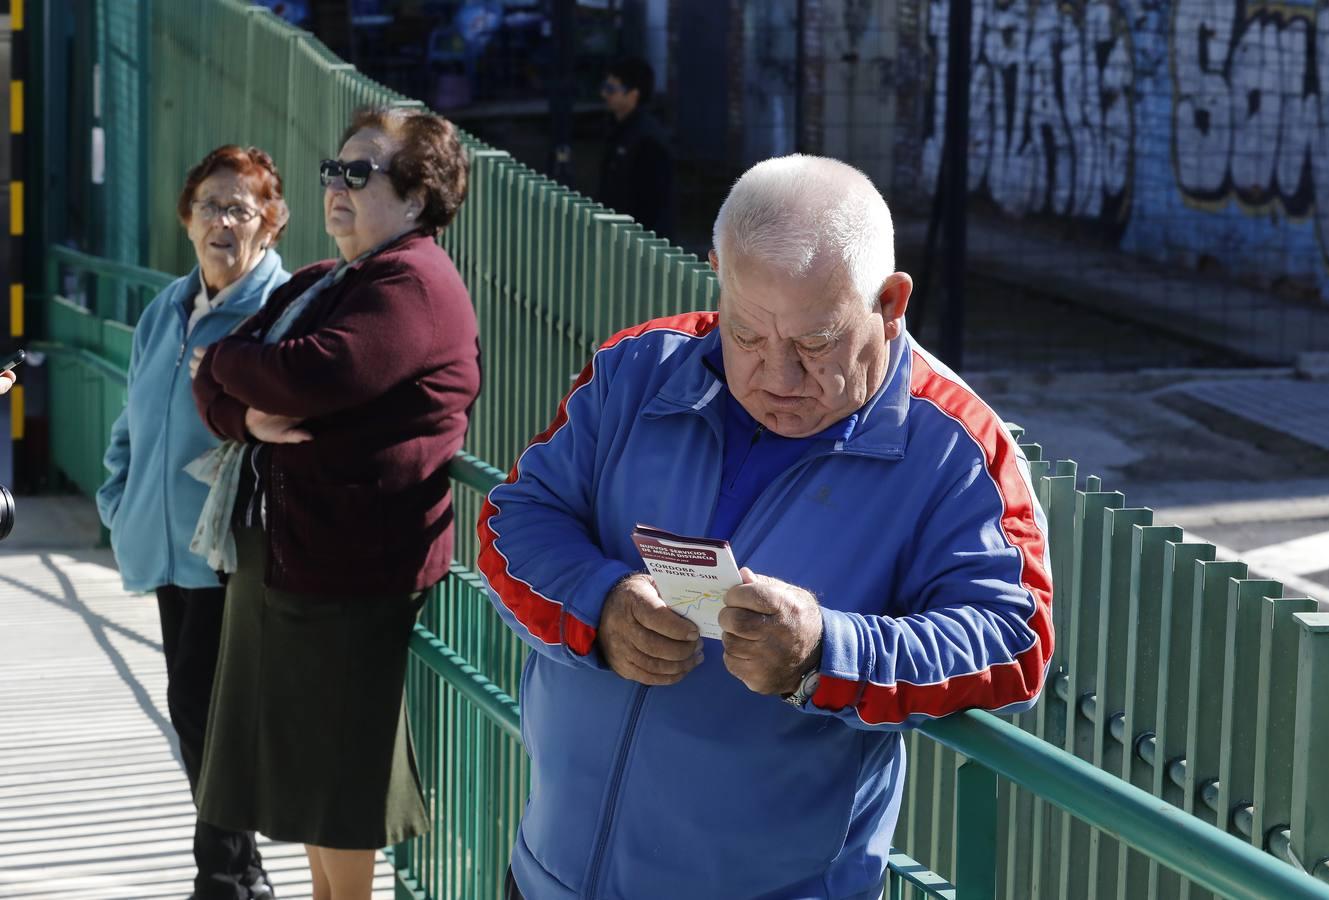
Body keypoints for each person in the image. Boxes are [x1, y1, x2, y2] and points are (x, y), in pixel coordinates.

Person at [479, 154, 1054, 899]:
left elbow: (1015, 646)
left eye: (814, 344)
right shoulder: (638, 367)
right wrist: (600, 606)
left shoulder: (956, 448)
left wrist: (826, 651)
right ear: (717, 272)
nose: (776, 378)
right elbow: (515, 521)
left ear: (889, 302)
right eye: (745, 334)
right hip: (549, 876)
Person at [190, 106, 480, 900]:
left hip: (351, 573)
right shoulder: (331, 279)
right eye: (333, 170)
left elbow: (314, 376)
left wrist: (229, 361)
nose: (338, 186)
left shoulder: (414, 281)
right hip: (294, 564)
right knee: (311, 779)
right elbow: (212, 386)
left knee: (340, 783)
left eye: (361, 172)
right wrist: (243, 402)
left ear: (418, 199)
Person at [96, 145, 291, 900]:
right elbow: (130, 420)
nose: (222, 220)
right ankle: (237, 872)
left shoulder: (277, 312)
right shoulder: (167, 307)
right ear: (186, 218)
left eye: (242, 207)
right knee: (194, 711)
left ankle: (226, 876)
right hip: (162, 545)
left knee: (210, 714)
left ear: (269, 225)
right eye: (209, 204)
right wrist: (118, 501)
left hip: (229, 553)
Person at [597, 55, 674, 239]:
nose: (604, 94)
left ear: (633, 94)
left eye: (611, 89)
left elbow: (653, 205)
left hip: (636, 243)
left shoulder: (646, 138)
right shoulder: (621, 130)